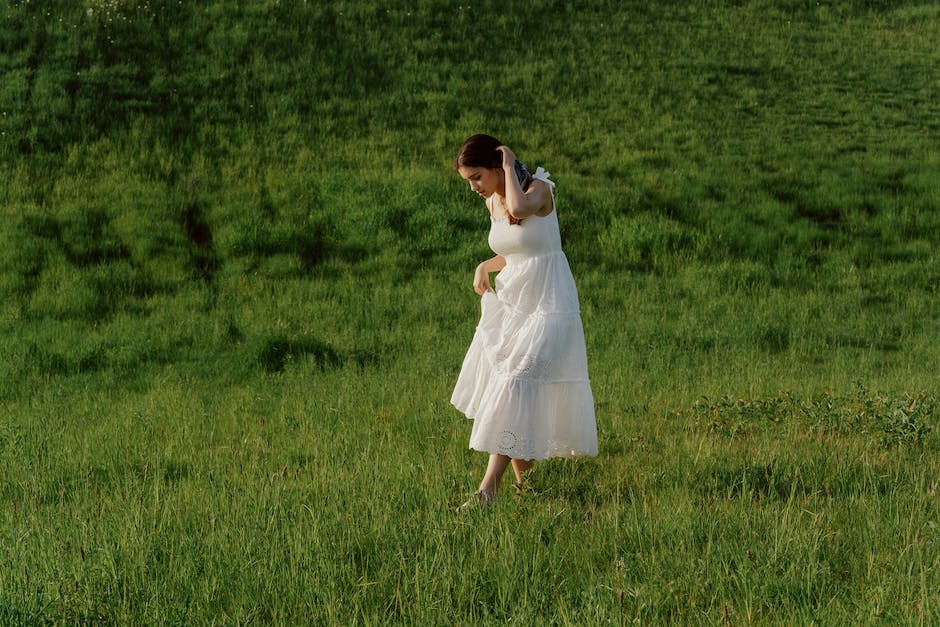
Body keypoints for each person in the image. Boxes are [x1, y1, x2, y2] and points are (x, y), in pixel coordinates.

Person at [450, 134, 598, 512]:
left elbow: (521, 208)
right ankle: (526, 490)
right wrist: (487, 263)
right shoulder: (494, 201)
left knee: (516, 383)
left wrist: (509, 165)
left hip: (550, 305)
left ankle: (487, 491)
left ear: (498, 165)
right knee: (516, 390)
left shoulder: (538, 188)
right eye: (469, 181)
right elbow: (515, 249)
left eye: (477, 177)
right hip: (517, 303)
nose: (474, 188)